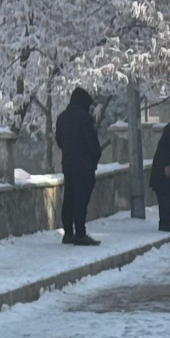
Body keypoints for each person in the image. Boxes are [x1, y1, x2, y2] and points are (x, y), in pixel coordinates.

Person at [55, 86, 102, 246]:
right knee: (82, 199)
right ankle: (80, 233)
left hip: (68, 164)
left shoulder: (62, 118)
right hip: (85, 165)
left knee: (69, 197)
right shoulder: (85, 118)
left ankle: (68, 232)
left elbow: (59, 141)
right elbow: (92, 143)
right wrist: (95, 156)